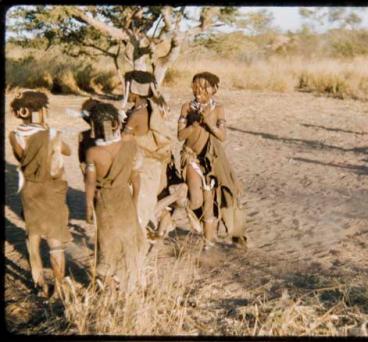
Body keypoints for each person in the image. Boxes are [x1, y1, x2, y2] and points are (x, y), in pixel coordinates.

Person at [8, 90, 72, 297]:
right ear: (40, 111)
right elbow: (67, 151)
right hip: (52, 190)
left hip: (30, 189)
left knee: (32, 237)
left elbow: (21, 158)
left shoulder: (15, 135)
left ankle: (40, 285)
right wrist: (47, 132)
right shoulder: (52, 134)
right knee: (55, 240)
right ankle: (60, 285)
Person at [178, 72, 246, 249]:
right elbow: (180, 135)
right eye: (196, 87)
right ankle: (175, 199)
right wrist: (193, 125)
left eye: (204, 87)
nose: (199, 90)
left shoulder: (218, 109)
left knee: (210, 200)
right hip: (191, 157)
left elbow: (222, 136)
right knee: (196, 200)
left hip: (212, 160)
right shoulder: (186, 107)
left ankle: (208, 242)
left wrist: (207, 122)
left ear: (214, 89)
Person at [84, 102, 147, 292]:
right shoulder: (130, 145)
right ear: (116, 124)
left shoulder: (93, 153)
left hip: (104, 202)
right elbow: (135, 179)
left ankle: (109, 285)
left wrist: (88, 205)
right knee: (129, 240)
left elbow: (90, 183)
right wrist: (134, 202)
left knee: (107, 242)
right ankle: (130, 283)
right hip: (125, 199)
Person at [121, 70, 173, 238]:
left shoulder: (137, 114)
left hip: (144, 167)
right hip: (151, 165)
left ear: (134, 89)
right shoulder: (149, 107)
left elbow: (124, 141)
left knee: (138, 215)